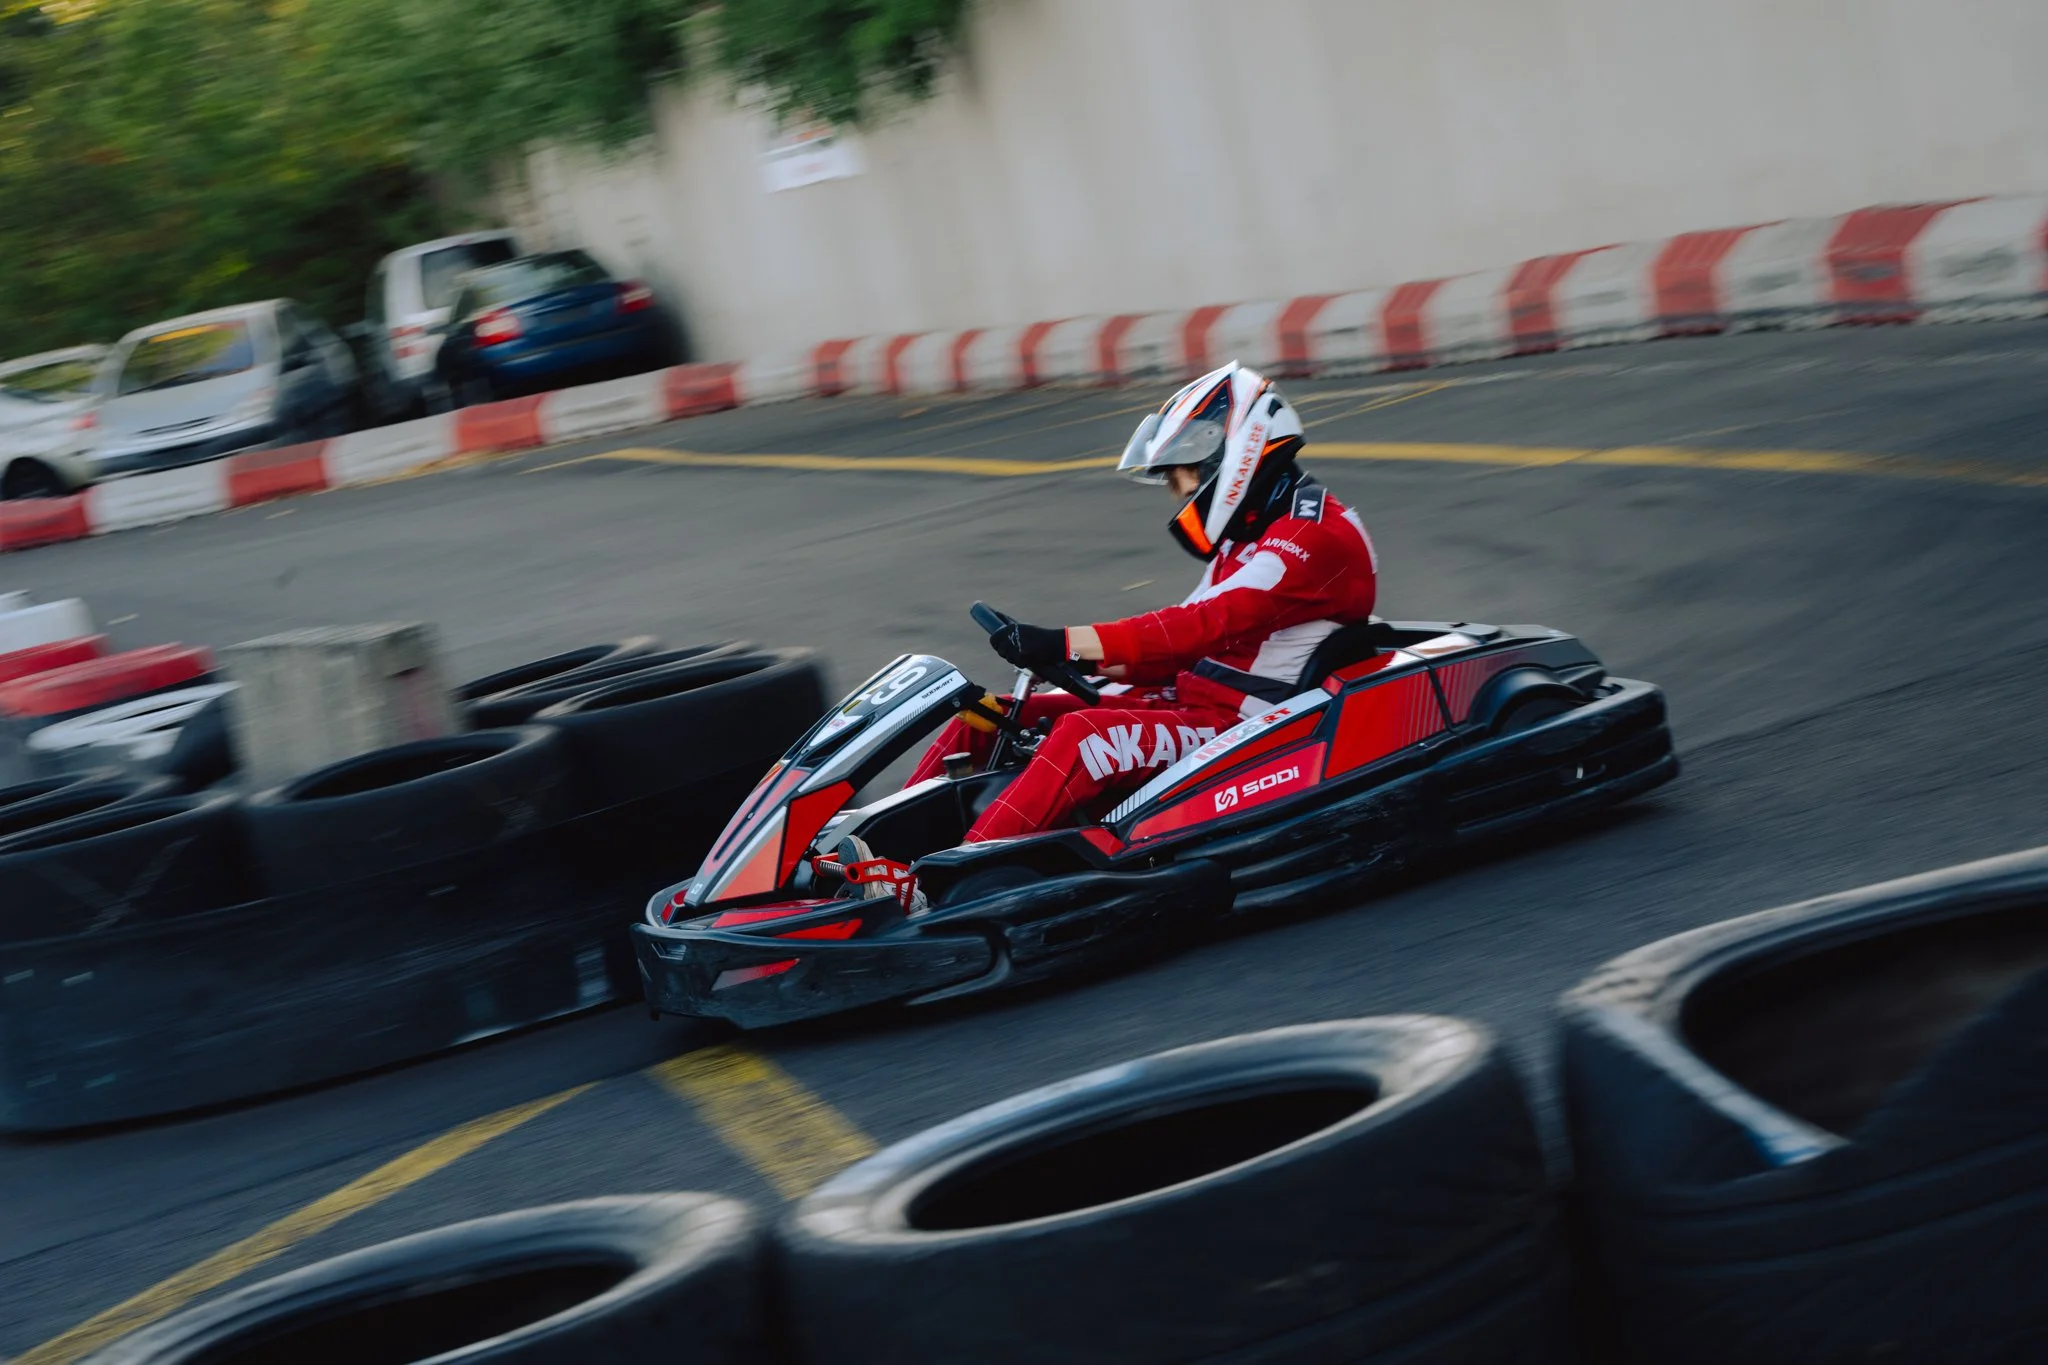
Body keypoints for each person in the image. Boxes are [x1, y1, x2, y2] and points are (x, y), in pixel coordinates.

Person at [906, 360, 1379, 844]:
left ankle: (932, 888)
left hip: (1243, 724)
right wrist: (1075, 662)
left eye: (1184, 474)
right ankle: (874, 851)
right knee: (987, 715)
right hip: (1187, 697)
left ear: (1237, 449)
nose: (1181, 491)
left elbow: (1197, 626)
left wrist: (1065, 643)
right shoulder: (1252, 533)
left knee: (1083, 737)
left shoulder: (1313, 535)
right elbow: (1180, 651)